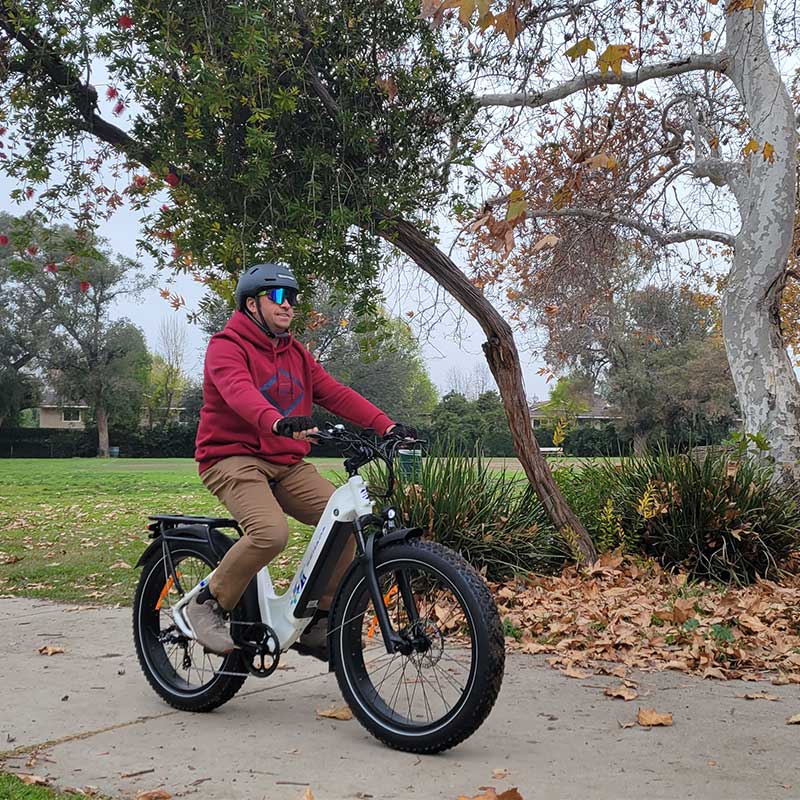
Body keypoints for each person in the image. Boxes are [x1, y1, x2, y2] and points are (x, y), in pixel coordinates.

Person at [189, 262, 415, 660]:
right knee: (270, 533)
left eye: (292, 298)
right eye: (277, 296)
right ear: (250, 305)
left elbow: (335, 393)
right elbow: (239, 392)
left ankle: (319, 621)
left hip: (286, 463)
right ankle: (208, 601)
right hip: (232, 457)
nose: (288, 305)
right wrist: (276, 422)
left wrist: (387, 426)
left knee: (347, 522)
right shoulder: (225, 346)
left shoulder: (295, 353)